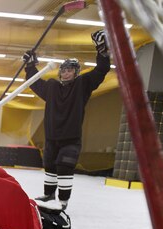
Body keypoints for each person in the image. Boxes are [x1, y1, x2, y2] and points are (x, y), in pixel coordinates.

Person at [23, 30, 111, 210]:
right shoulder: (52, 87)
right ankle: (48, 195)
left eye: (70, 70)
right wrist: (30, 65)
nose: (65, 72)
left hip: (71, 139)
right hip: (52, 138)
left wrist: (101, 50)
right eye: (63, 69)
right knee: (49, 166)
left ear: (76, 72)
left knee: (64, 167)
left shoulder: (82, 85)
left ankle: (63, 201)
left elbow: (101, 70)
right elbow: (34, 82)